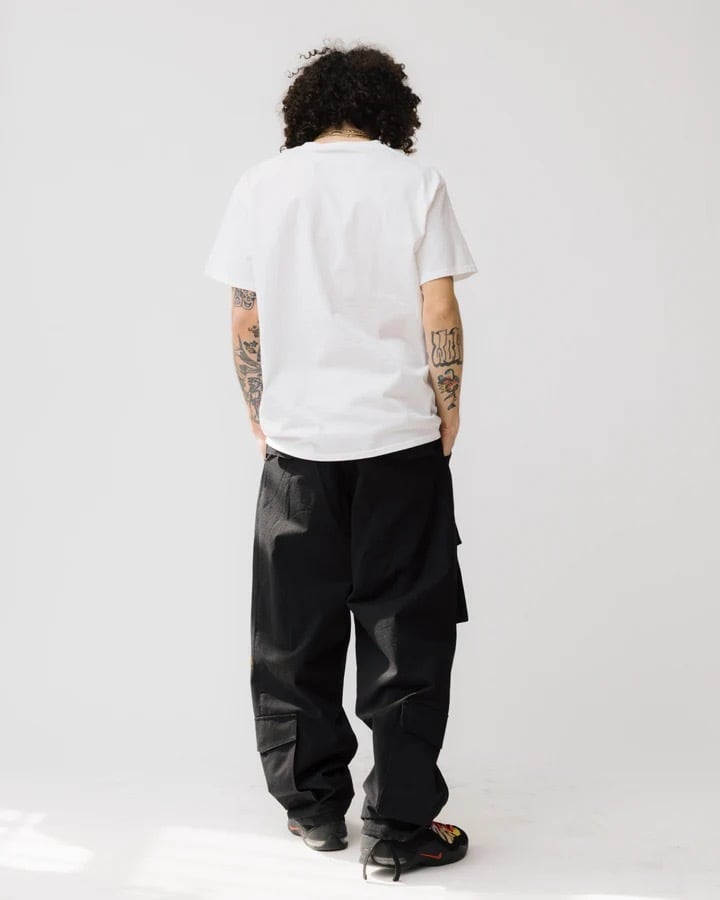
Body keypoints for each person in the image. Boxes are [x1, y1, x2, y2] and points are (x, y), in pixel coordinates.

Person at [203, 41, 477, 881]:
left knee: (293, 635)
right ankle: (398, 830)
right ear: (390, 109)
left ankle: (314, 809)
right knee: (407, 635)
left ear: (308, 109)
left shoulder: (261, 185)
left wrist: (259, 409)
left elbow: (246, 317)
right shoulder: (415, 182)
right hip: (399, 444)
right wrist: (449, 405)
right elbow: (439, 307)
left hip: (298, 449)